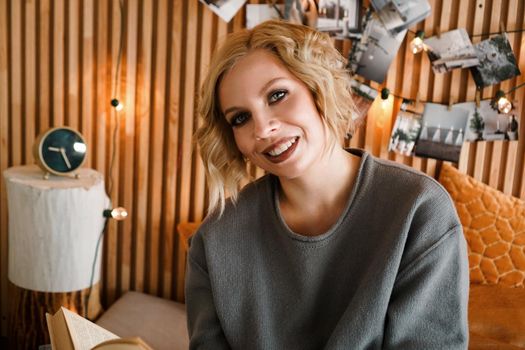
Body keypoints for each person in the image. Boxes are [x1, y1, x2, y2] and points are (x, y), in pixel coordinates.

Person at [186, 20, 469, 350]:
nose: (262, 129)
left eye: (277, 95)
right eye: (240, 118)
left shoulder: (419, 210)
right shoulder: (214, 239)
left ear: (318, 88)